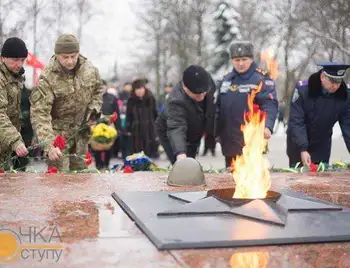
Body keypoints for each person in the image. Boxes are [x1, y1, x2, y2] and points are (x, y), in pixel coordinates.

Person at [30, 34, 103, 171]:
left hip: (80, 134)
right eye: (65, 57)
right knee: (59, 182)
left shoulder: (89, 70)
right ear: (57, 55)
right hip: (57, 137)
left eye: (73, 56)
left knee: (81, 179)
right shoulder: (48, 77)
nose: (70, 61)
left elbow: (98, 90)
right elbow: (40, 114)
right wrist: (48, 145)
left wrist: (93, 110)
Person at [215, 40, 278, 168]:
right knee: (229, 183)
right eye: (237, 60)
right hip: (229, 143)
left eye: (244, 59)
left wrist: (268, 126)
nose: (241, 63)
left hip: (251, 142)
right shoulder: (226, 80)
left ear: (251, 59)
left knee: (250, 182)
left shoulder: (261, 79)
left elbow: (269, 105)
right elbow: (218, 108)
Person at [287, 62, 350, 167]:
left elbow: (348, 124)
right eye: (333, 81)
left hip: (322, 143)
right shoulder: (304, 90)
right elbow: (296, 121)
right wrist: (303, 149)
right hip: (298, 141)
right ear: (323, 77)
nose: (336, 86)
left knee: (321, 179)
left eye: (339, 82)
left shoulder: (344, 95)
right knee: (299, 179)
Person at [155, 65, 216, 164]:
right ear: (185, 88)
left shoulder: (208, 83)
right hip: (169, 131)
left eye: (203, 93)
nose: (201, 97)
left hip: (195, 125)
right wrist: (180, 154)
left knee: (191, 158)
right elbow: (176, 128)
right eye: (196, 94)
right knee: (182, 164)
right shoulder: (176, 101)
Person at [0, 37, 29, 170]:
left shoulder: (17, 78)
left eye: (22, 60)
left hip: (6, 145)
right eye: (15, 60)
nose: (19, 64)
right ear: (3, 58)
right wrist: (15, 141)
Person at [126, 79, 158, 158]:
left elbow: (155, 114)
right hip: (136, 129)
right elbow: (128, 116)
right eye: (137, 89)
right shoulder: (131, 100)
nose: (139, 91)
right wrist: (128, 128)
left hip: (149, 129)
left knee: (149, 149)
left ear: (144, 88)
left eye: (141, 88)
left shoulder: (150, 98)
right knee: (137, 149)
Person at [94, 87, 121, 170]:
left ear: (106, 87)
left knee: (108, 145)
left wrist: (118, 126)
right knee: (96, 145)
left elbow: (117, 112)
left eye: (103, 87)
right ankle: (98, 164)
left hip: (109, 124)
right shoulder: (94, 97)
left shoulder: (112, 98)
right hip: (97, 124)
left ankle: (106, 164)